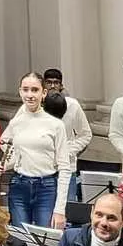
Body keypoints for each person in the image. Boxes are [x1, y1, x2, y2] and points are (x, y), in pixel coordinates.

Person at [0, 72, 72, 229]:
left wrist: (60, 210)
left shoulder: (55, 125)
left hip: (46, 186)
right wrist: (6, 165)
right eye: (25, 90)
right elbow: (8, 146)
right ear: (20, 92)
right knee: (21, 242)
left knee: (46, 240)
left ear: (43, 93)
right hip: (19, 185)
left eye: (35, 90)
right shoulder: (16, 122)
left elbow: (65, 168)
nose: (30, 95)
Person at [41, 69, 92, 204]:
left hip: (66, 168)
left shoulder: (73, 105)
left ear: (61, 86)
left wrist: (67, 150)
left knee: (67, 211)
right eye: (48, 82)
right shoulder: (35, 105)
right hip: (40, 169)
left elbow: (85, 135)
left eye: (56, 83)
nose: (52, 86)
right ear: (43, 86)